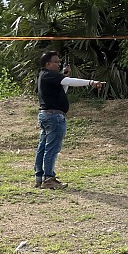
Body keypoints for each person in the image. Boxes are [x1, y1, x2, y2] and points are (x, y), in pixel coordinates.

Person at [34, 51, 105, 190]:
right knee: (51, 149)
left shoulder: (44, 76)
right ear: (48, 64)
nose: (58, 64)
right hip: (54, 117)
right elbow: (68, 82)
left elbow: (63, 89)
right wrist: (91, 82)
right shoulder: (49, 74)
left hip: (47, 115)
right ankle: (48, 179)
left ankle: (40, 178)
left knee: (43, 148)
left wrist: (65, 75)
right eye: (55, 62)